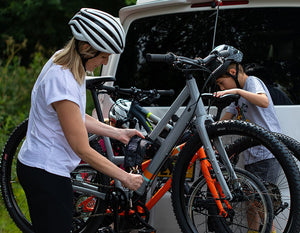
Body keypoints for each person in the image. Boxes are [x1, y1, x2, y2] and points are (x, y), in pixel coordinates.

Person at [16, 8, 144, 233]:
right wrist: (124, 177)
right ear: (86, 48)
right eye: (103, 55)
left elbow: (76, 116)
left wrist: (117, 133)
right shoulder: (62, 81)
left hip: (47, 169)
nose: (105, 61)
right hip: (46, 173)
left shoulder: (65, 62)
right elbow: (82, 149)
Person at [211, 45, 280, 233]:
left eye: (221, 83)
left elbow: (263, 101)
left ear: (232, 72)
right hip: (252, 155)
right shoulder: (238, 98)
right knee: (251, 202)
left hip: (267, 153)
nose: (221, 88)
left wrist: (237, 92)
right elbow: (225, 120)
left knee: (262, 203)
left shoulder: (251, 83)